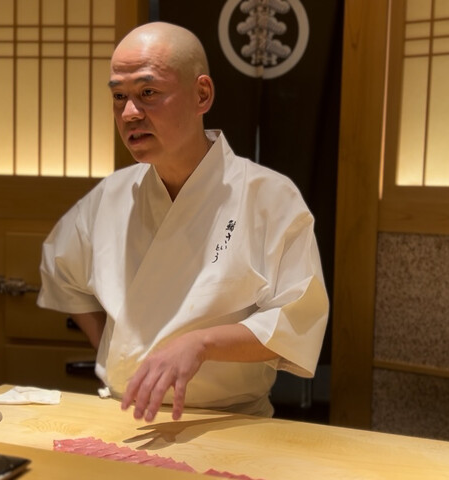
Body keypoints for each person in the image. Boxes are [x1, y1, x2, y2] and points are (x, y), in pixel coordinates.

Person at [37, 22, 328, 422]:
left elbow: (297, 318)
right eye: (119, 96)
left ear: (201, 95)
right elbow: (59, 267)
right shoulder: (111, 196)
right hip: (123, 415)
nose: (130, 113)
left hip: (229, 421)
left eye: (148, 93)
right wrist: (113, 348)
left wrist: (202, 344)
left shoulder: (269, 197)